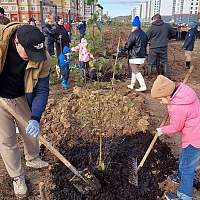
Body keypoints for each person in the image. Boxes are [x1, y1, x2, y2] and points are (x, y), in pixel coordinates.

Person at [0, 23, 50, 198]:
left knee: (30, 131)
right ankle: (17, 177)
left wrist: (35, 116)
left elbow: (42, 89)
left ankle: (32, 158)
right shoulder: (2, 44)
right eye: (29, 53)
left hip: (21, 95)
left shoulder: (42, 57)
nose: (33, 58)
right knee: (7, 140)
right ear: (17, 43)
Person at [151, 75, 200, 200]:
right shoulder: (182, 91)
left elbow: (175, 127)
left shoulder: (178, 108)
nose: (160, 102)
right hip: (195, 133)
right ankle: (180, 177)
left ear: (168, 96)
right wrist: (170, 104)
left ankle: (184, 196)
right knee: (184, 158)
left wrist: (161, 130)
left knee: (187, 167)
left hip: (195, 139)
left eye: (160, 100)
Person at [119, 16, 148, 92]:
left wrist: (121, 50)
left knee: (135, 70)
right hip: (142, 56)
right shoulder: (144, 34)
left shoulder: (133, 34)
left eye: (133, 26)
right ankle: (132, 85)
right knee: (134, 70)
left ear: (134, 26)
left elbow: (128, 45)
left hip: (135, 56)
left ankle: (143, 86)